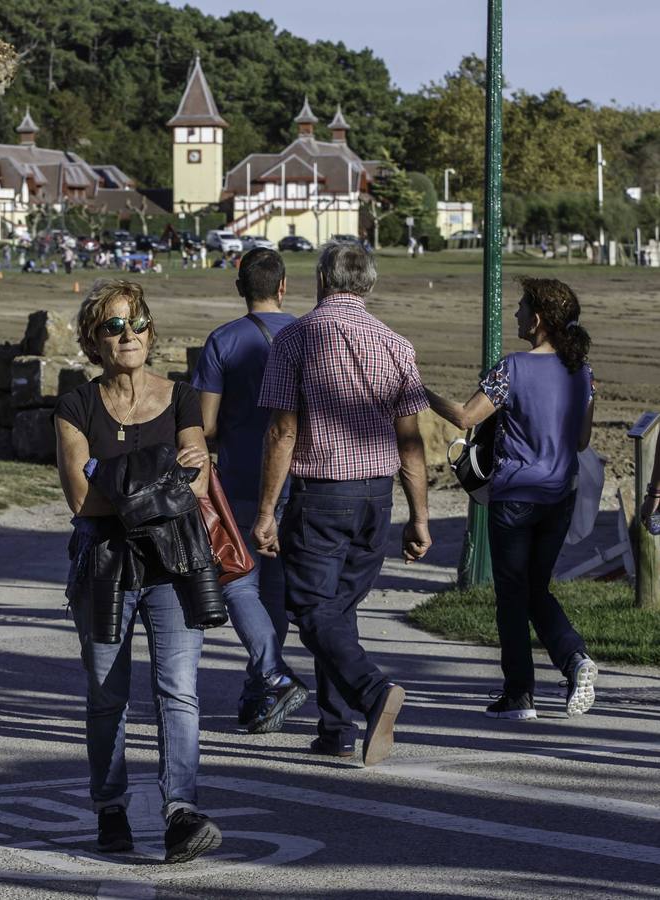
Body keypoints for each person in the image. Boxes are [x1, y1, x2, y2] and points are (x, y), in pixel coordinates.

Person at [54, 279, 224, 864]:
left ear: (151, 330)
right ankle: (110, 808)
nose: (128, 334)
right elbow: (82, 500)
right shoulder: (76, 405)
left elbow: (197, 484)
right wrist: (161, 474)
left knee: (179, 692)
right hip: (103, 565)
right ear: (92, 341)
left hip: (173, 565)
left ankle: (180, 811)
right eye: (113, 326)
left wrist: (117, 474)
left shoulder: (181, 397)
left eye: (138, 322)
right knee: (107, 698)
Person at [254, 240, 431, 767]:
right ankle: (336, 729)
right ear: (369, 284)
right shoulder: (398, 346)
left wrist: (266, 509)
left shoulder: (296, 339)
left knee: (310, 610)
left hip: (322, 495)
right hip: (377, 495)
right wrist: (419, 515)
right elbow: (411, 442)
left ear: (322, 281)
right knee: (339, 610)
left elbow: (283, 432)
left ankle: (373, 692)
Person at [425, 278, 598, 719]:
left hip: (516, 496)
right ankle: (574, 657)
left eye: (521, 308)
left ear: (538, 319)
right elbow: (581, 441)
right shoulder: (583, 372)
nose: (516, 314)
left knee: (512, 596)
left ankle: (519, 695)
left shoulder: (512, 369)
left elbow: (465, 417)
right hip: (559, 496)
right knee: (535, 587)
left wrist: (417, 390)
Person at [191, 248, 307, 734]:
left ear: (241, 288)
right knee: (273, 593)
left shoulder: (223, 341)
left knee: (237, 581)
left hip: (241, 478)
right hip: (300, 479)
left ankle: (270, 674)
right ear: (283, 287)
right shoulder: (309, 335)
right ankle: (260, 693)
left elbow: (207, 424)